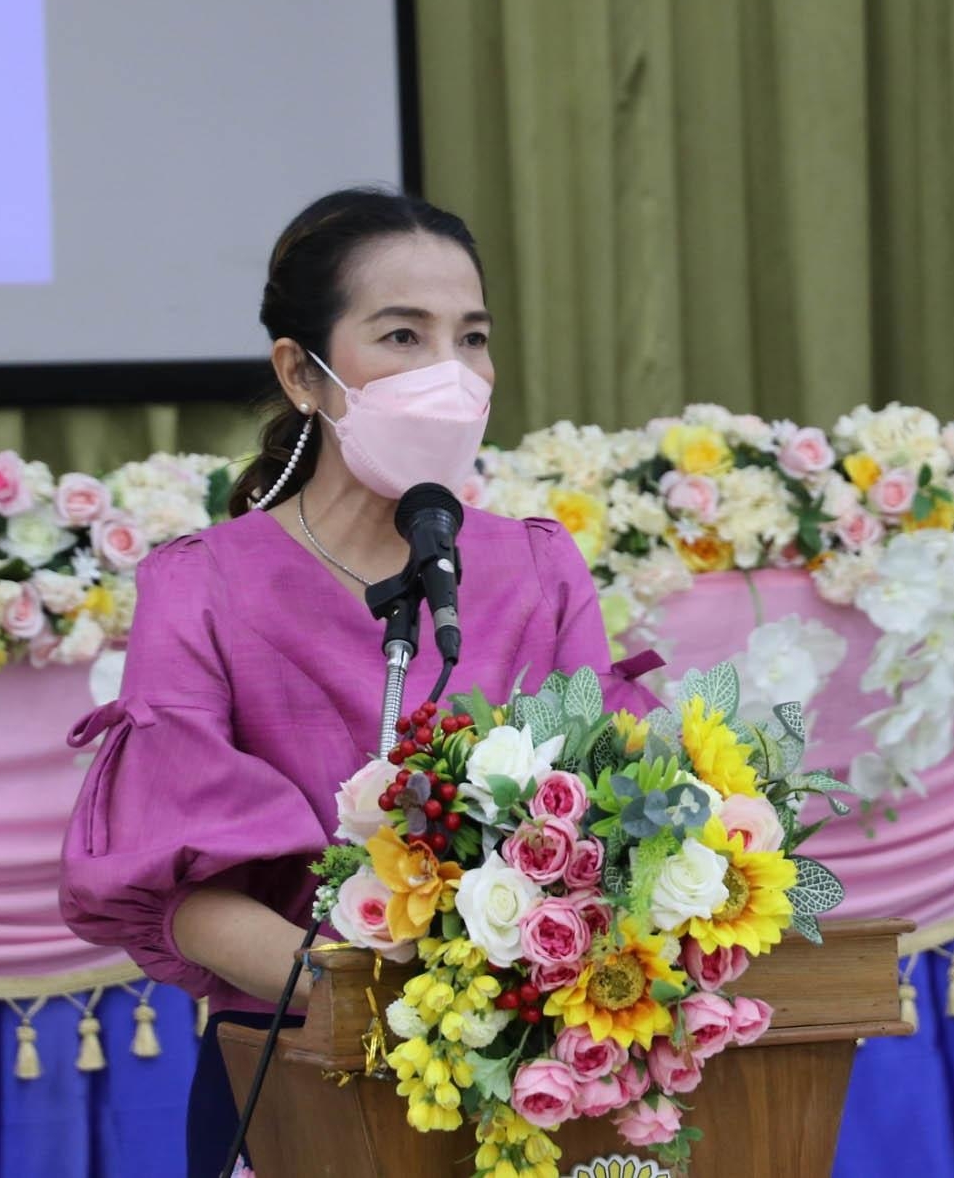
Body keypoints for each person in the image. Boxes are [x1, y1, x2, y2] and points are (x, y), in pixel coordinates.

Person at [59, 188, 659, 1177]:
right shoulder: (203, 584)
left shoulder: (538, 568)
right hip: (296, 1076)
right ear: (303, 373)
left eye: (472, 338)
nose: (450, 374)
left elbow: (610, 830)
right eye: (403, 336)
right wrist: (388, 1002)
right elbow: (181, 892)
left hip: (520, 1080)